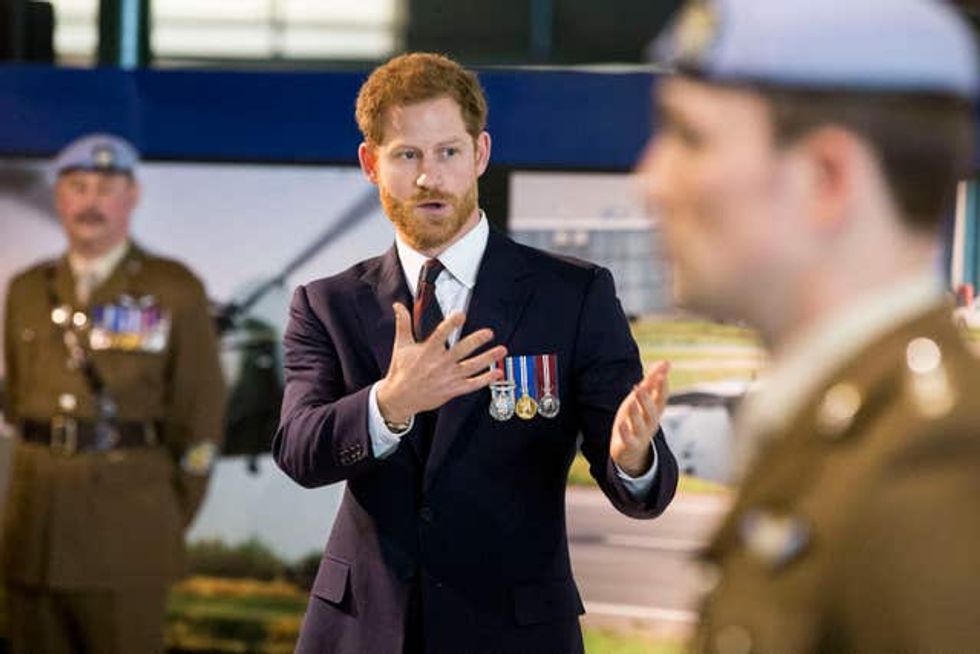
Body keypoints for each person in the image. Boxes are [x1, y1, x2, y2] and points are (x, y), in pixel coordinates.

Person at [273, 52, 679, 653]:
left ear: (480, 155)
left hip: (515, 631)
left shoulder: (572, 296)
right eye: (407, 155)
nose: (429, 177)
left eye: (448, 153)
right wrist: (388, 404)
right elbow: (299, 451)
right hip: (366, 632)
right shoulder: (325, 305)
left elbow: (639, 486)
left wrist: (631, 457)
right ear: (370, 164)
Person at [640, 0, 980, 651]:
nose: (650, 180)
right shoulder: (845, 429)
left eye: (689, 137)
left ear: (826, 179)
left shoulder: (934, 470)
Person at [1, 133, 226, 653]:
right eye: (77, 187)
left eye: (105, 187)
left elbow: (201, 412)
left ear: (133, 196)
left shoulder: (173, 288)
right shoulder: (28, 290)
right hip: (34, 526)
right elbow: (18, 402)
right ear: (60, 198)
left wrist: (164, 514)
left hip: (127, 531)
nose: (90, 201)